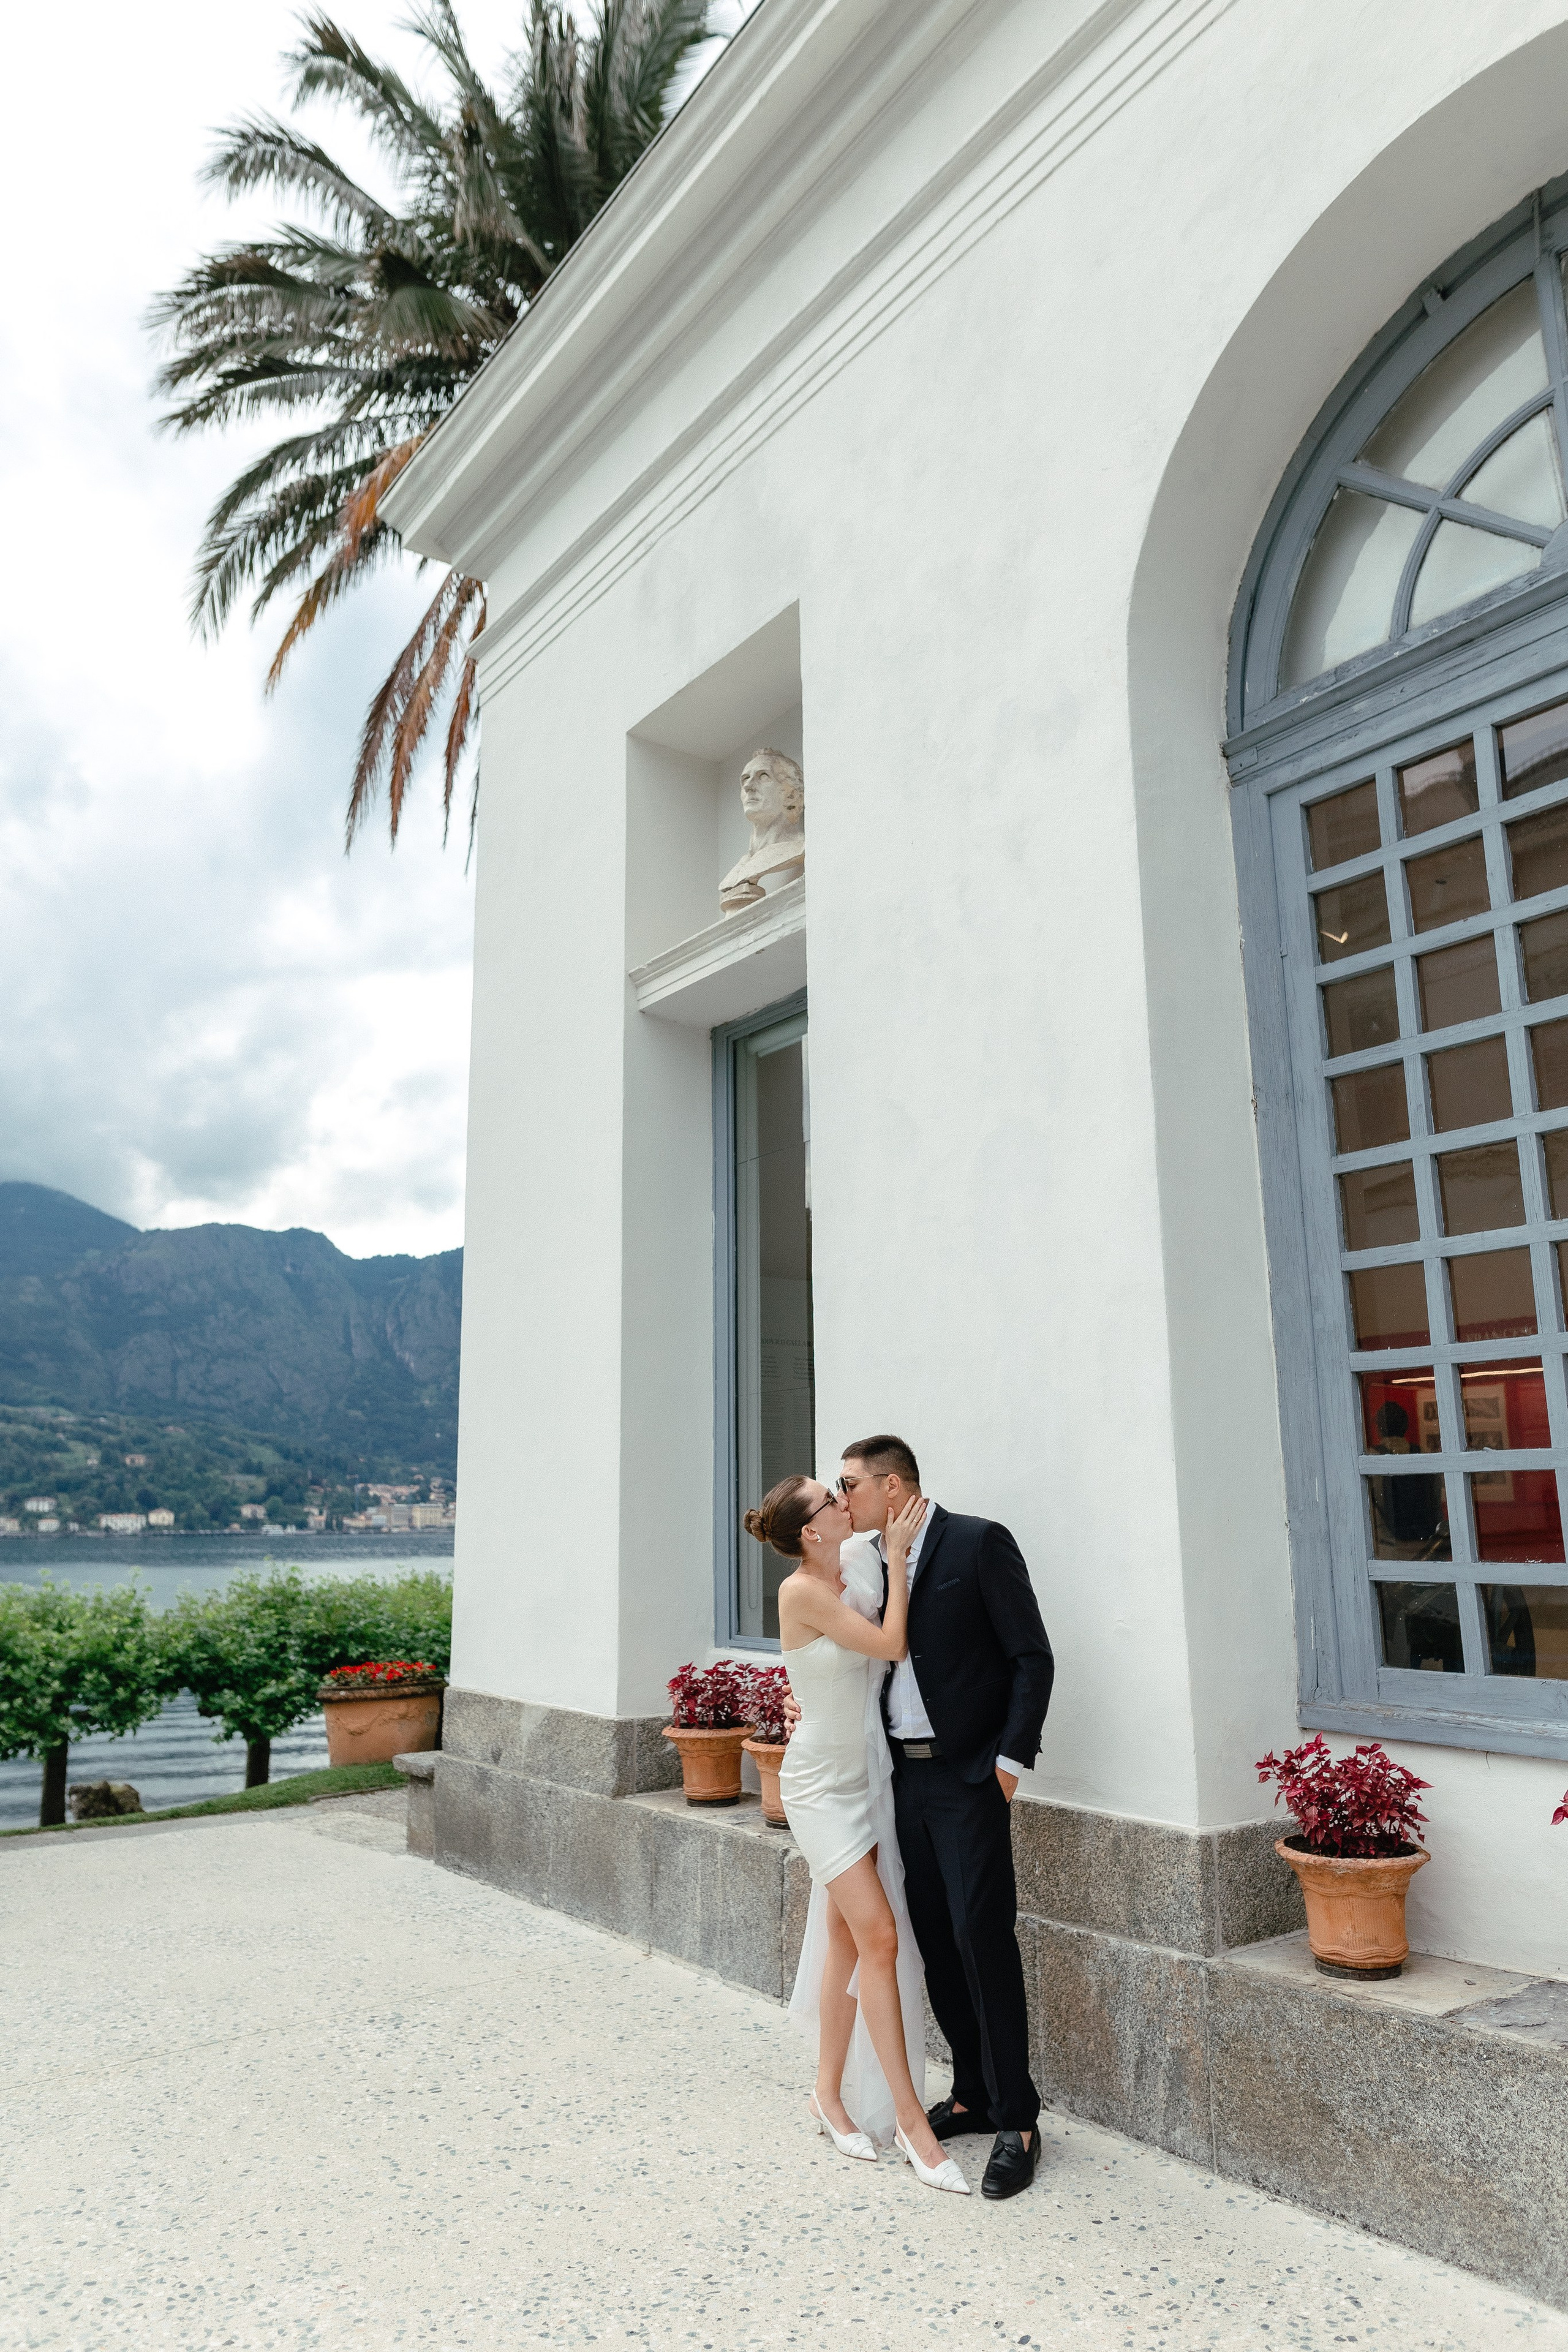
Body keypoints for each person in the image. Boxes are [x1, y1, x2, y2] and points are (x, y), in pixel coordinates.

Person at [836, 1434, 1054, 2203]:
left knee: (980, 1936)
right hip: (902, 1780)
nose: (846, 1497)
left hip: (968, 1780)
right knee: (931, 1938)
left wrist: (1007, 1764)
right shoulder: (867, 1557)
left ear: (893, 1487)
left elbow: (1032, 1657)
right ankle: (971, 2093)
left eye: (852, 1483)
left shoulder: (978, 1541)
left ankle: (1019, 2120)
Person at [744, 1476, 970, 2194]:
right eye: (829, 1500)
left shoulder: (854, 1566)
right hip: (819, 1791)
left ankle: (827, 2093)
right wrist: (900, 1561)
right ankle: (910, 2119)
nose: (844, 1503)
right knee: (879, 1938)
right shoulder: (801, 1590)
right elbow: (891, 1643)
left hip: (866, 1776)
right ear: (811, 1531)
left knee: (847, 1939)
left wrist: (893, 1554)